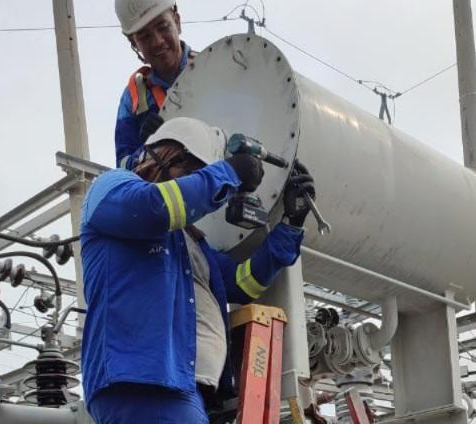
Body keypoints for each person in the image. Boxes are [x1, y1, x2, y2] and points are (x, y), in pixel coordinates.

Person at [80, 117, 316, 423]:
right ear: (164, 155)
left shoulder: (187, 241)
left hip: (186, 389)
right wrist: (229, 172)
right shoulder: (110, 187)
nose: (196, 183)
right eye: (191, 172)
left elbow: (243, 284)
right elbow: (155, 208)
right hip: (142, 382)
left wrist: (291, 226)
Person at [113, 0, 194, 170]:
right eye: (144, 36)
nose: (157, 41)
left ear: (177, 22)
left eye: (163, 27)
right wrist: (147, 149)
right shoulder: (133, 98)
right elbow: (122, 169)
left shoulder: (213, 67)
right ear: (134, 44)